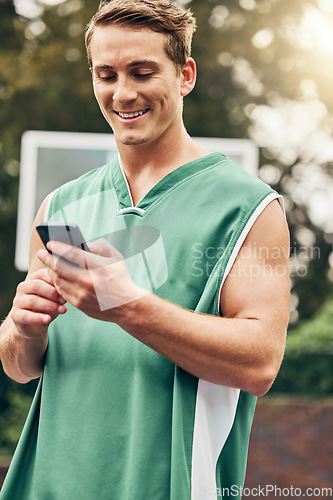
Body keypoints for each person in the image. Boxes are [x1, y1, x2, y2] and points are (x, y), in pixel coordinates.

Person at [0, 0, 290, 498]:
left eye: (142, 71)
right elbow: (20, 368)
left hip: (170, 486)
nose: (123, 92)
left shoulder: (251, 209)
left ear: (185, 75)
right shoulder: (61, 206)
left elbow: (260, 363)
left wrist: (127, 305)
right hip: (47, 485)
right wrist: (22, 328)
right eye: (106, 74)